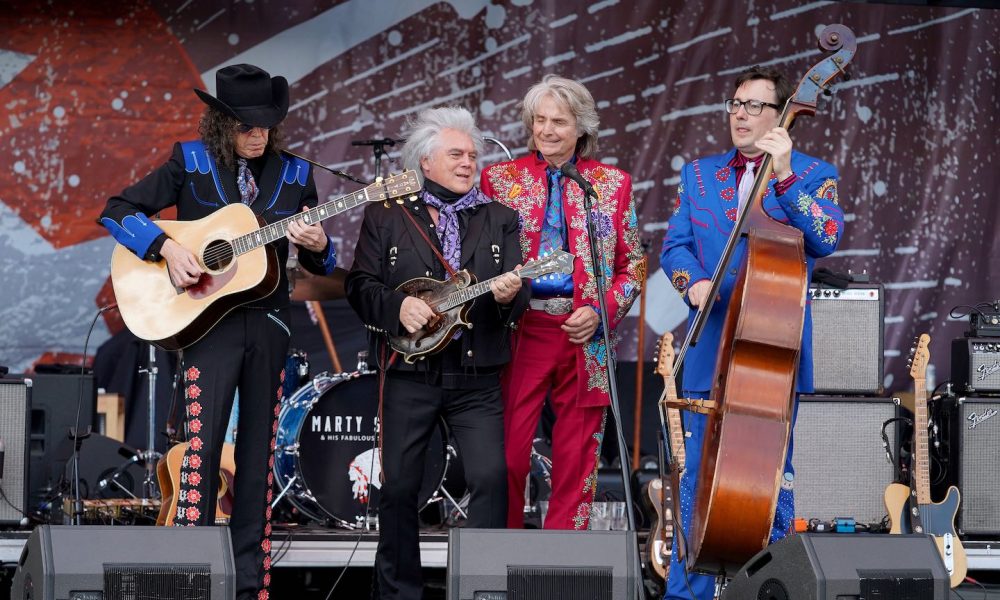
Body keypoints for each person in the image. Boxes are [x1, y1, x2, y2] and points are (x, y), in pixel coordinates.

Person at [100, 63, 336, 600]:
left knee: (257, 461)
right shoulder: (191, 160)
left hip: (272, 324)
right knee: (200, 454)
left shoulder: (297, 175)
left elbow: (322, 265)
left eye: (266, 126)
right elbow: (118, 211)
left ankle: (252, 587)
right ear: (220, 123)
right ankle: (190, 579)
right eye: (245, 125)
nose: (257, 135)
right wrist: (167, 247)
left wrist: (319, 246)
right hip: (210, 326)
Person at [659, 65, 845, 599]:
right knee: (695, 481)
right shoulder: (698, 174)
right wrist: (693, 284)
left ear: (783, 114)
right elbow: (675, 246)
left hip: (773, 357)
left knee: (769, 487)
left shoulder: (812, 173)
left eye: (754, 106)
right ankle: (686, 594)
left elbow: (827, 236)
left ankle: (767, 590)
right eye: (735, 104)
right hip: (709, 349)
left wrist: (784, 175)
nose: (740, 114)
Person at [345, 106, 528, 600]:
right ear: (425, 161)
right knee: (400, 488)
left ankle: (484, 590)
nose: (469, 162)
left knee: (492, 477)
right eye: (456, 154)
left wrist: (511, 297)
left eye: (473, 155)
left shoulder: (500, 218)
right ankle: (398, 592)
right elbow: (359, 285)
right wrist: (397, 307)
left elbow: (518, 291)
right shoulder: (386, 214)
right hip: (408, 372)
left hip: (476, 377)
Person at [480, 75, 643, 530]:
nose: (547, 130)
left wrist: (602, 311)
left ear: (581, 129)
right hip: (521, 329)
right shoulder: (499, 180)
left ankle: (562, 567)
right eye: (540, 120)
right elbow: (477, 258)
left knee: (577, 461)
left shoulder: (611, 185)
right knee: (508, 456)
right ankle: (501, 558)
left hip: (585, 333)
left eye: (559, 121)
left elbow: (634, 268)